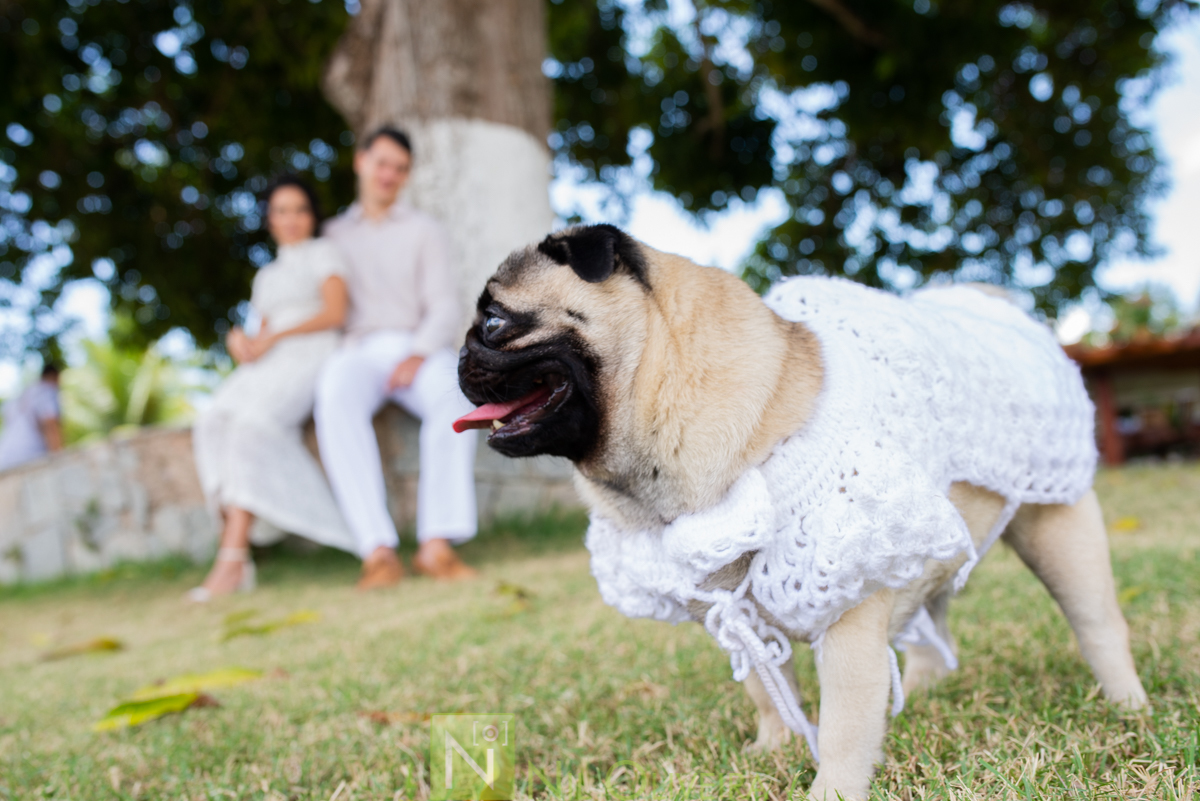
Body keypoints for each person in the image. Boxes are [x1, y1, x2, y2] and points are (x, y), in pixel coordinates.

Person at [316, 127, 479, 589]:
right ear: (361, 162)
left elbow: (444, 305)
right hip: (357, 350)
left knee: (455, 397)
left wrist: (417, 353)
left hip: (417, 346)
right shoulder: (331, 235)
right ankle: (377, 552)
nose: (389, 174)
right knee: (334, 395)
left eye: (400, 168)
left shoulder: (425, 230)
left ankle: (436, 546)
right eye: (382, 163)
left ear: (407, 176)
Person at [188, 175, 356, 602]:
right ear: (270, 219)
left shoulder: (324, 253)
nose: (291, 218)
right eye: (282, 211)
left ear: (312, 216)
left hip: (313, 352)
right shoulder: (266, 275)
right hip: (271, 361)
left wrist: (278, 336)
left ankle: (231, 560)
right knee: (213, 421)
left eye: (300, 209)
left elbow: (335, 313)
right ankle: (236, 547)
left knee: (252, 426)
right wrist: (240, 343)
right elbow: (259, 334)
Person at [0, 362, 63, 471]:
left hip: (3, 458)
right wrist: (60, 462)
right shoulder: (47, 390)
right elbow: (51, 424)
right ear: (54, 376)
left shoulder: (22, 395)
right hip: (28, 458)